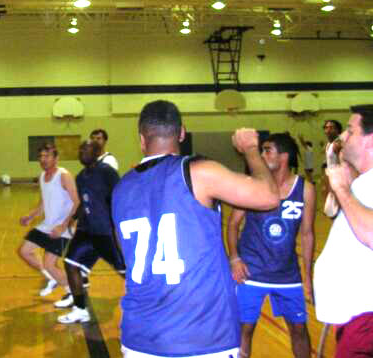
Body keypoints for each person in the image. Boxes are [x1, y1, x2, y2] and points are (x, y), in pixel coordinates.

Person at [112, 100, 279, 358]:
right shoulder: (199, 172)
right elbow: (269, 196)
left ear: (142, 139)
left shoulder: (122, 188)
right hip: (202, 336)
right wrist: (250, 150)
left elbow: (125, 254)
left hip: (139, 338)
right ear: (181, 133)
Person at [227, 133, 315, 358]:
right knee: (245, 328)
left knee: (299, 329)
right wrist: (235, 259)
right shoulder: (253, 186)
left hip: (287, 273)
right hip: (251, 270)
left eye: (267, 150)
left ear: (283, 156)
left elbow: (307, 234)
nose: (262, 155)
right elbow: (233, 224)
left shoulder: (305, 189)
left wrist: (307, 276)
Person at [314, 105, 373, 358]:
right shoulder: (367, 182)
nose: (343, 137)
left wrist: (342, 189)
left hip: (368, 317)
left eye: (351, 131)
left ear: (370, 141)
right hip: (358, 317)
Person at [55, 140, 125, 324]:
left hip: (106, 232)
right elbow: (83, 202)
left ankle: (154, 303)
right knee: (70, 263)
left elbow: (120, 196)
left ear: (96, 152)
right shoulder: (81, 177)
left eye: (86, 149)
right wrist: (72, 219)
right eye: (80, 150)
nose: (82, 152)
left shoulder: (106, 172)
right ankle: (80, 309)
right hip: (86, 230)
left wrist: (119, 226)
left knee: (127, 272)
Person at [18, 143, 80, 297]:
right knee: (25, 251)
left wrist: (63, 226)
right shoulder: (42, 176)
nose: (43, 159)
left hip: (62, 228)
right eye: (41, 156)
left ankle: (73, 293)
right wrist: (30, 216)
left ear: (56, 158)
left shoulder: (64, 175)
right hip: (46, 225)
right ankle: (52, 279)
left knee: (50, 264)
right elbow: (43, 202)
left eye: (47, 156)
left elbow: (77, 202)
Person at [322, 119, 344, 218]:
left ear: (338, 130)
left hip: (338, 178)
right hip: (330, 176)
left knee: (338, 206)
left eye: (331, 127)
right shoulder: (329, 144)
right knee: (331, 207)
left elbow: (343, 164)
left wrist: (339, 180)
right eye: (326, 127)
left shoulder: (337, 144)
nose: (328, 130)